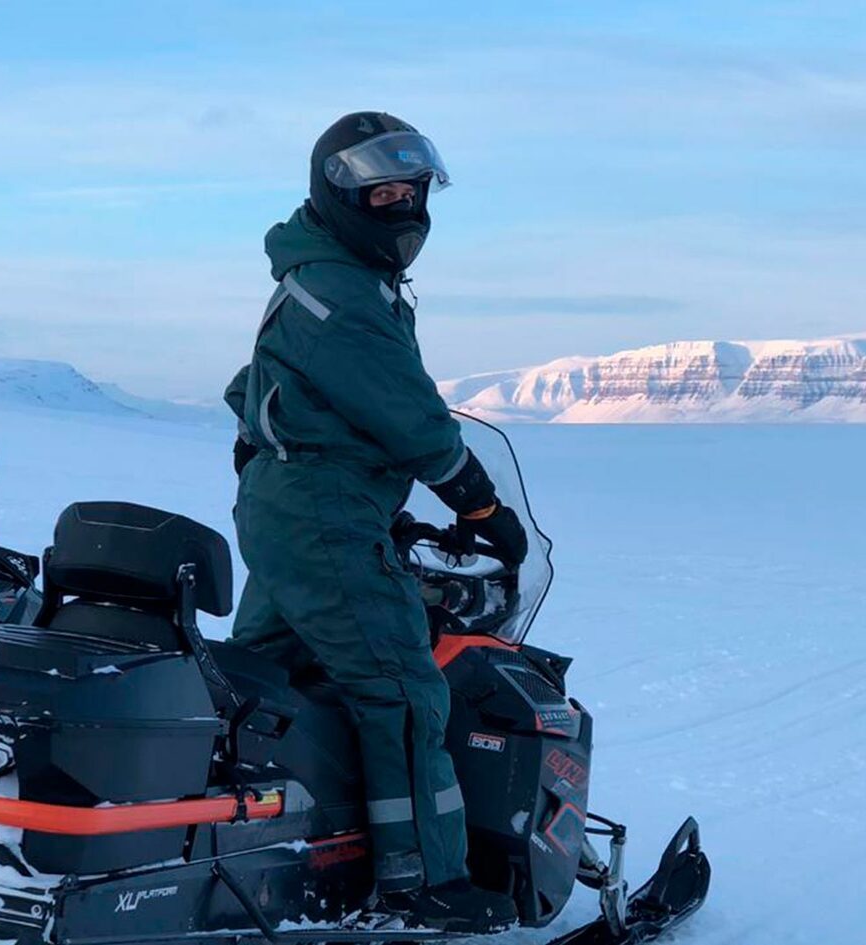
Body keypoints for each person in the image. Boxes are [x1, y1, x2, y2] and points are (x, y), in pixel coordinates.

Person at [223, 111, 529, 934]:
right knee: (400, 686)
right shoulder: (344, 295)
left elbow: (257, 385)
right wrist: (479, 502)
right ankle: (418, 878)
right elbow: (410, 414)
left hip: (304, 504)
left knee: (258, 681)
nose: (397, 208)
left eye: (408, 191)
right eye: (379, 193)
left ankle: (250, 843)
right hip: (323, 509)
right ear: (338, 194)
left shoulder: (326, 278)